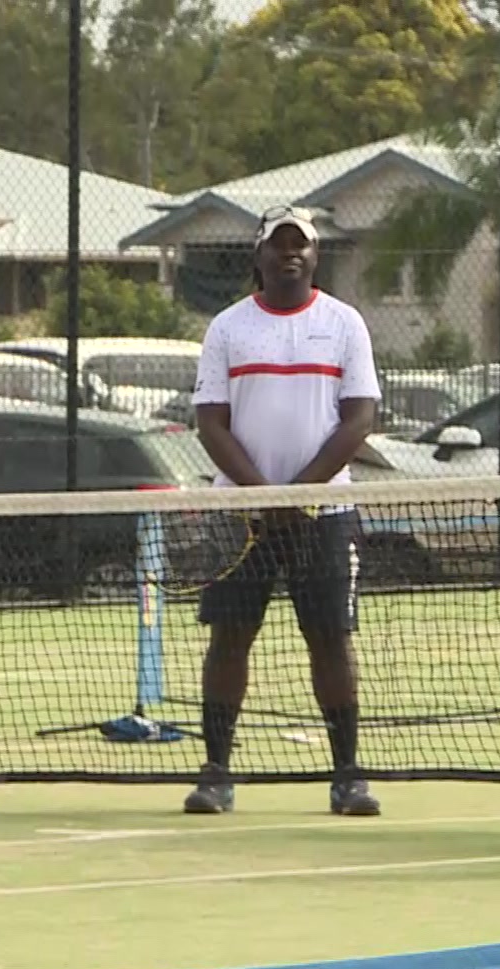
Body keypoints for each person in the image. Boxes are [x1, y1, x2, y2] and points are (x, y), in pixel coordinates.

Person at [186, 206, 382, 817]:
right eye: (278, 245)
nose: (289, 253)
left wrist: (301, 492)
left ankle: (348, 774)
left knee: (330, 641)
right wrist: (261, 496)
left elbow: (359, 419)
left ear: (316, 256)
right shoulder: (227, 328)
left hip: (323, 515)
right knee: (230, 641)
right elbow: (210, 422)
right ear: (259, 256)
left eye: (301, 245)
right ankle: (215, 772)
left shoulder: (345, 324)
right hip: (241, 515)